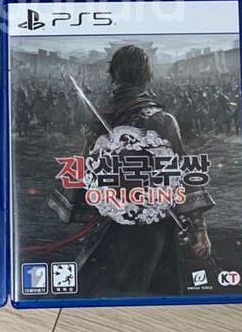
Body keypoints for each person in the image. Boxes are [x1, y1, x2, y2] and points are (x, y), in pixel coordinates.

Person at [73, 45, 214, 296]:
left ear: (113, 76)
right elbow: (183, 175)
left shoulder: (98, 122)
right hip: (152, 228)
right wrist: (199, 229)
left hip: (110, 223)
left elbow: (84, 176)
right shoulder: (161, 120)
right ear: (147, 76)